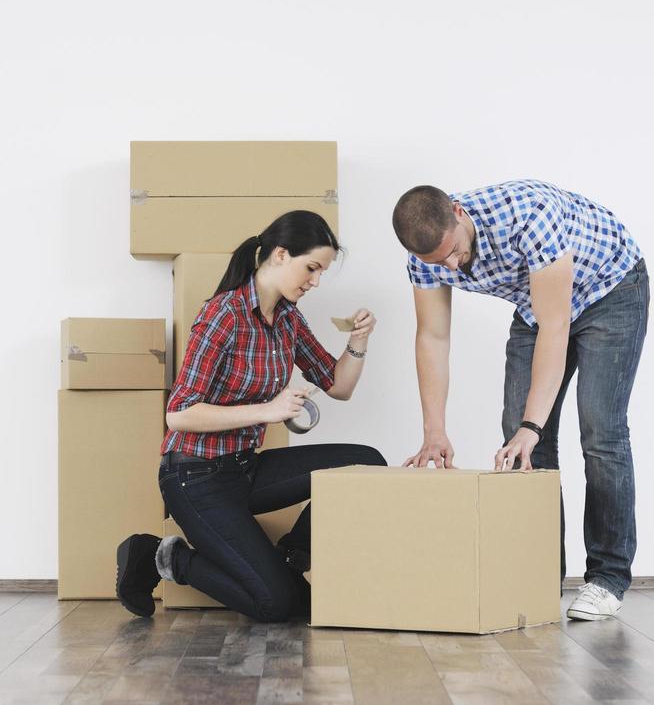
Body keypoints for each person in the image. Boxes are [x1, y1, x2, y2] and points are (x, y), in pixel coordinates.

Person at [392, 179, 648, 622]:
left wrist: (534, 426)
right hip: (539, 307)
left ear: (457, 211)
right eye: (440, 262)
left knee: (599, 428)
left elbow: (557, 327)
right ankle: (539, 576)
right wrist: (434, 431)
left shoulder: (529, 215)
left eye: (454, 251)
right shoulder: (426, 258)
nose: (452, 265)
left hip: (612, 290)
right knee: (520, 441)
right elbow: (432, 337)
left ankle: (607, 579)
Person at [116, 210, 385, 622]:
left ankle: (292, 557)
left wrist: (358, 341)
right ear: (280, 254)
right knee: (278, 605)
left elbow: (339, 386)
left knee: (366, 461)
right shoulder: (223, 315)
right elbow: (179, 414)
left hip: (245, 469)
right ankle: (163, 557)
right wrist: (270, 409)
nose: (315, 281)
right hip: (195, 478)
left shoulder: (288, 319)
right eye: (311, 268)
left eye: (321, 273)